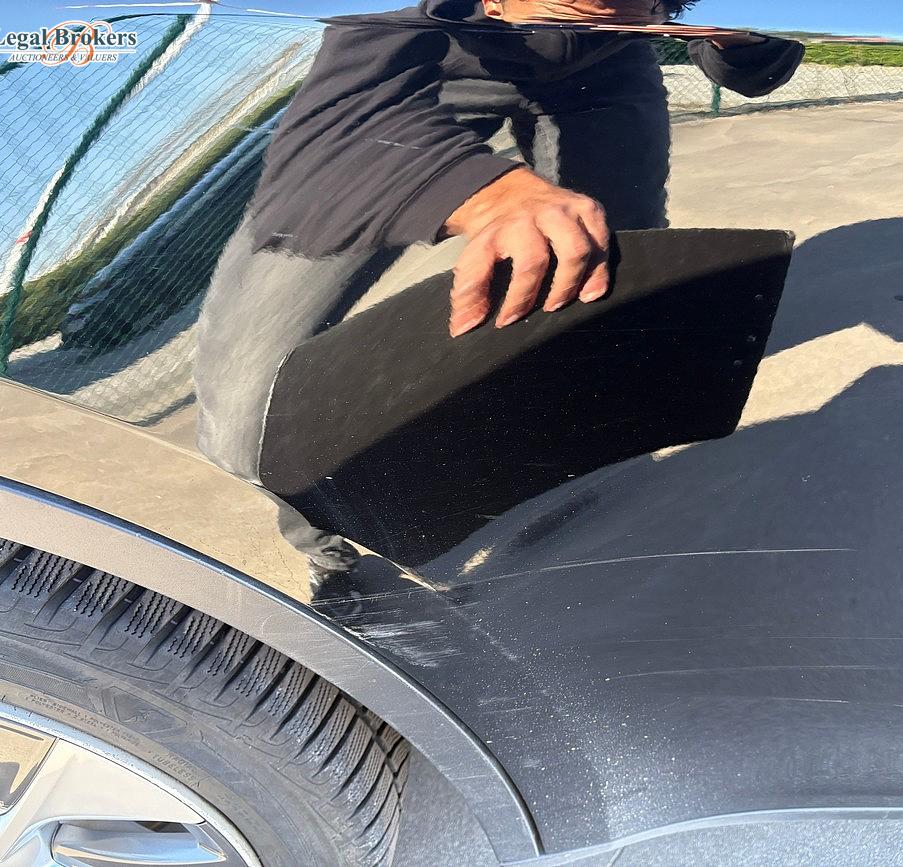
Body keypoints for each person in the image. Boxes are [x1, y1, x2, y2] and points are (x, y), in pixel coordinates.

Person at [194, 0, 804, 585]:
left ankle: (565, 493)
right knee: (248, 407)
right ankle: (328, 551)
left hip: (611, 60)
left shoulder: (628, 22)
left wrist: (728, 32)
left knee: (611, 280)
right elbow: (342, 120)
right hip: (445, 44)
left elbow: (751, 63)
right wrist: (486, 193)